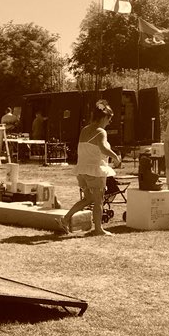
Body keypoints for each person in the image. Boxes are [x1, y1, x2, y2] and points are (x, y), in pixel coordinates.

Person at [57, 101, 122, 236]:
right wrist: (116, 157)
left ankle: (65, 219)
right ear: (104, 117)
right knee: (99, 201)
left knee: (88, 199)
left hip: (82, 171)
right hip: (94, 170)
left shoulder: (85, 129)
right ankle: (98, 229)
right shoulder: (101, 132)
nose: (109, 122)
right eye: (109, 119)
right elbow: (103, 149)